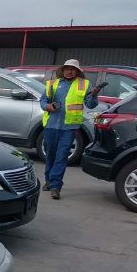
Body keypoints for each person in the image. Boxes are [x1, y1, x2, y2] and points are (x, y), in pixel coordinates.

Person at [39, 59, 102, 199]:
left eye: (72, 69)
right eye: (67, 68)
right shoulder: (53, 83)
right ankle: (48, 181)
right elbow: (43, 101)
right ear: (63, 70)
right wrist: (48, 107)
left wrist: (94, 94)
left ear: (77, 71)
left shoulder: (84, 84)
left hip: (69, 128)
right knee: (50, 155)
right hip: (51, 125)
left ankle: (56, 186)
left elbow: (91, 105)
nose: (69, 71)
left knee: (61, 157)